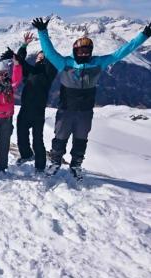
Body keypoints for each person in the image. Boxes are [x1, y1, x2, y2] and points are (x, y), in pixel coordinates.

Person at [32, 17, 151, 179]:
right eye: (81, 51)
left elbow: (123, 51)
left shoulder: (98, 63)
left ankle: (76, 165)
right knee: (60, 138)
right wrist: (42, 32)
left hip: (85, 112)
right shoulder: (64, 63)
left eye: (87, 51)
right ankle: (55, 163)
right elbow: (49, 52)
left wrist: (144, 35)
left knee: (81, 139)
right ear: (75, 51)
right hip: (66, 110)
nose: (84, 53)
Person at [3, 32, 58, 172]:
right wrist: (23, 46)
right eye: (38, 57)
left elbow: (44, 62)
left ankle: (40, 166)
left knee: (37, 140)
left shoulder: (49, 73)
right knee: (21, 133)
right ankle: (26, 155)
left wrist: (46, 52)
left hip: (38, 112)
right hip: (25, 109)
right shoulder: (31, 72)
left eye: (43, 57)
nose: (40, 58)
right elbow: (22, 62)